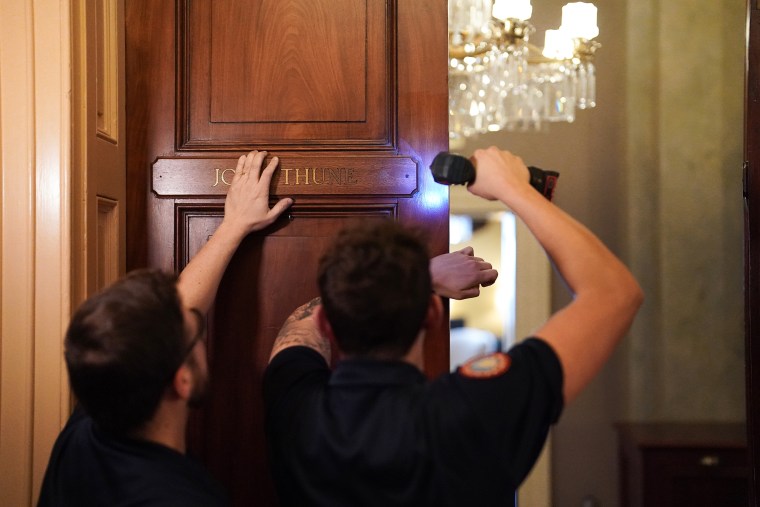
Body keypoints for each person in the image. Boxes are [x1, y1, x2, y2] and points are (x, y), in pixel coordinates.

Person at [37, 149, 494, 506]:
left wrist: (233, 225)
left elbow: (175, 312)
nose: (197, 322)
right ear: (181, 377)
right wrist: (415, 281)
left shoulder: (88, 432)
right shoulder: (184, 500)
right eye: (192, 332)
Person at [263, 146, 644, 506]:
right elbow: (613, 294)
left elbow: (295, 329)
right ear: (432, 313)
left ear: (328, 324)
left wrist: (417, 279)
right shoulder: (473, 409)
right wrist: (514, 188)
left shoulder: (295, 405)